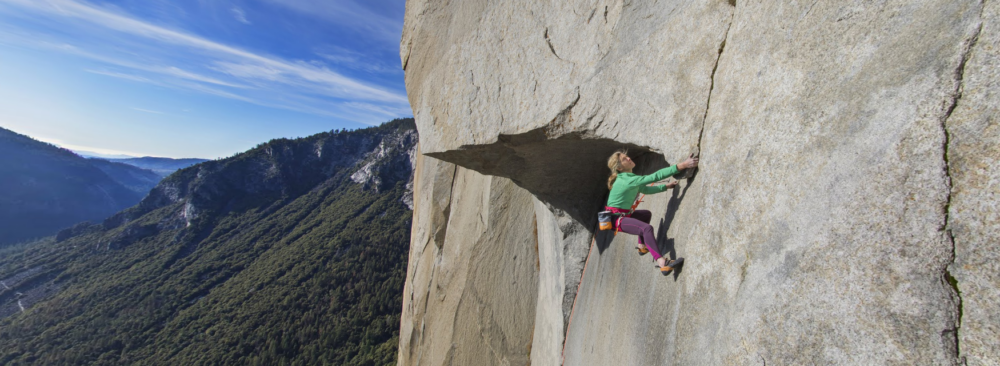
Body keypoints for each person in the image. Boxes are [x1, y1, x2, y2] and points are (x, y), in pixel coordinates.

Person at [605, 150, 698, 275]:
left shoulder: (628, 178)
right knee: (646, 228)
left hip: (622, 215)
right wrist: (682, 165)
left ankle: (642, 246)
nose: (628, 158)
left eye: (627, 156)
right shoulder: (626, 180)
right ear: (620, 167)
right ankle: (662, 263)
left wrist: (665, 187)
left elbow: (645, 190)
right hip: (615, 220)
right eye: (624, 159)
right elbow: (655, 176)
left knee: (645, 215)